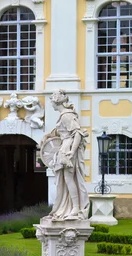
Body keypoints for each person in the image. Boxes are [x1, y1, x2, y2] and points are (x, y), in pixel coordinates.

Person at [39, 89, 89, 221]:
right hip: (64, 148)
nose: (51, 104)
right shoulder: (63, 115)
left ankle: (75, 207)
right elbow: (60, 131)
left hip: (67, 149)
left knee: (68, 179)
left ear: (57, 101)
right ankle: (67, 207)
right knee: (64, 180)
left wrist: (72, 151)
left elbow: (77, 133)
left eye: (52, 101)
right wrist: (48, 135)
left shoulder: (67, 115)